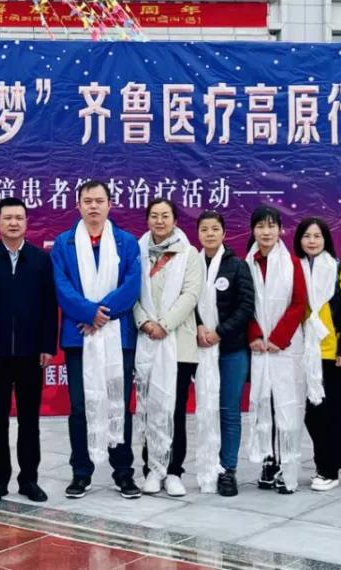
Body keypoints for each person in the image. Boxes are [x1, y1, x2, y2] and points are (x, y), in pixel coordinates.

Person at [51, 179, 143, 500]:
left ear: (109, 204)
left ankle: (123, 472)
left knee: (119, 402)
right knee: (80, 406)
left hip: (119, 336)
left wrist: (101, 314)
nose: (93, 206)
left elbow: (132, 285)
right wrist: (89, 313)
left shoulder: (126, 242)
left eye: (99, 200)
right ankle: (81, 472)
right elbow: (61, 286)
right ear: (78, 205)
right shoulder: (63, 243)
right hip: (79, 336)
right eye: (87, 201)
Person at [0, 197, 58, 505]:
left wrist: (47, 345)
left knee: (29, 420)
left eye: (19, 218)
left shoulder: (40, 259)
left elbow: (49, 306)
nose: (13, 223)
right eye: (7, 218)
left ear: (26, 222)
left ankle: (29, 479)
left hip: (31, 353)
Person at [134, 199, 203, 497]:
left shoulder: (189, 253)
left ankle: (174, 471)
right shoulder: (137, 252)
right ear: (147, 219)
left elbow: (191, 294)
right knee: (150, 408)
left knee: (174, 409)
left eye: (165, 216)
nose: (159, 221)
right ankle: (152, 469)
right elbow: (131, 293)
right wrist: (144, 322)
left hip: (178, 343)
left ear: (175, 220)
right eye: (154, 216)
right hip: (147, 340)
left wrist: (164, 324)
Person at [245, 205, 308, 494]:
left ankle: (286, 463)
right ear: (253, 230)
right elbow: (244, 302)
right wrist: (255, 334)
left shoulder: (292, 263)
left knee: (285, 404)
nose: (266, 232)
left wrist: (278, 338)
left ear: (281, 229)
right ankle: (268, 461)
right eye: (261, 226)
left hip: (285, 347)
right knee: (264, 402)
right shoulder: (247, 264)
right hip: (259, 347)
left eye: (271, 226)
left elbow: (298, 303)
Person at [193, 210, 255, 497]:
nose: (209, 234)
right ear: (198, 234)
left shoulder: (237, 266)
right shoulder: (191, 264)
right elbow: (185, 299)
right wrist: (199, 326)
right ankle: (207, 465)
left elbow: (246, 306)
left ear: (224, 233)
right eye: (204, 229)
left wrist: (219, 332)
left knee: (229, 411)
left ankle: (227, 470)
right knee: (206, 408)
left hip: (231, 349)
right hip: (200, 348)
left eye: (215, 229)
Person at [295, 217, 341, 492]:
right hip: (301, 353)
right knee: (311, 414)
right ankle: (323, 463)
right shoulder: (294, 269)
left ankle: (330, 468)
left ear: (326, 240)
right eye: (307, 236)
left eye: (317, 236)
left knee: (332, 415)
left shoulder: (340, 270)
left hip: (332, 353)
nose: (312, 241)